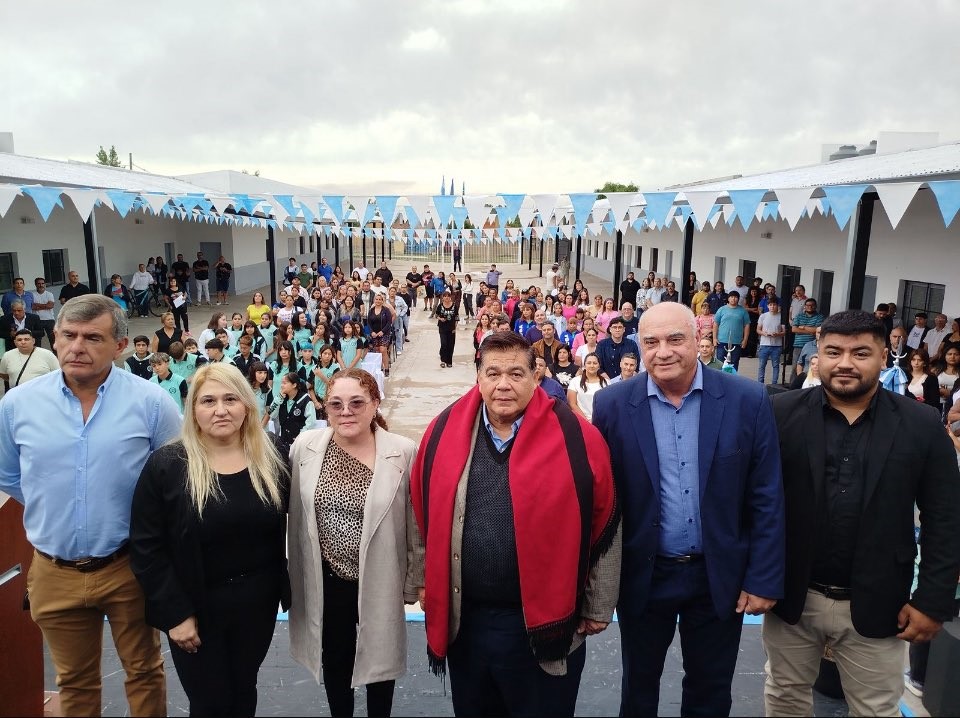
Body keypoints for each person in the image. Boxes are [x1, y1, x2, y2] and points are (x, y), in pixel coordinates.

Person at [410, 331, 620, 716]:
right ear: (478, 376)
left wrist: (599, 603)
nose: (503, 384)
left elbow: (606, 519)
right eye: (493, 373)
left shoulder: (578, 438)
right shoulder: (443, 432)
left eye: (515, 373)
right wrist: (423, 579)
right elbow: (421, 508)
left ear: (536, 376)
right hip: (467, 621)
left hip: (544, 625)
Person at [592, 302, 785, 717]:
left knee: (710, 689)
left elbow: (766, 494)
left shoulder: (747, 399)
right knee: (638, 687)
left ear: (699, 340)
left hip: (718, 575)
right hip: (644, 574)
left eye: (675, 339)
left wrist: (763, 577)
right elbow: (601, 500)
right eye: (651, 342)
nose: (663, 352)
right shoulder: (611, 405)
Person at [765, 309, 960, 717]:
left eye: (861, 353)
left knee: (875, 709)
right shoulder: (780, 413)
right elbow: (756, 502)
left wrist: (932, 600)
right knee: (784, 697)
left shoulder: (921, 424)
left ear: (884, 356)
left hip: (880, 601)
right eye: (834, 352)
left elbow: (946, 516)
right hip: (793, 595)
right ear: (817, 355)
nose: (846, 363)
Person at [0, 294, 181, 716]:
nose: (77, 346)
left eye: (93, 337)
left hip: (129, 566)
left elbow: (174, 482)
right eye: (69, 335)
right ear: (55, 337)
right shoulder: (17, 405)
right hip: (53, 570)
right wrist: (57, 505)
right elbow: (9, 476)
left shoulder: (152, 403)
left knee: (144, 671)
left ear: (120, 346)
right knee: (75, 683)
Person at [130, 363, 290, 716]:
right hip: (196, 606)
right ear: (193, 410)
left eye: (230, 399)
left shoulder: (272, 454)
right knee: (209, 702)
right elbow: (146, 547)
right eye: (208, 401)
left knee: (244, 691)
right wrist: (176, 614)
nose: (221, 410)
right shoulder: (168, 465)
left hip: (257, 605)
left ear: (246, 405)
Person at [288, 369, 418, 717]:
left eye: (357, 403)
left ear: (375, 403)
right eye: (336, 404)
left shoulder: (403, 452)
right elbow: (293, 514)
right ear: (325, 407)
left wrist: (414, 581)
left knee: (381, 658)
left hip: (381, 574)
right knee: (336, 657)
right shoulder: (304, 448)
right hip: (328, 577)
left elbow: (415, 523)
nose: (346, 412)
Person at [265, 371, 316, 442]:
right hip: (284, 440)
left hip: (299, 441)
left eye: (284, 383)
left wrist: (300, 437)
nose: (281, 385)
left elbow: (311, 423)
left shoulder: (306, 400)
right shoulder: (281, 398)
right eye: (281, 383)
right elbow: (272, 414)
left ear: (294, 385)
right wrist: (278, 399)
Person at [713, 291, 751, 370]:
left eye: (735, 297)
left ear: (738, 299)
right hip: (722, 341)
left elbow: (747, 326)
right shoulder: (721, 309)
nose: (733, 299)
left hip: (736, 342)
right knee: (720, 363)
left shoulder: (743, 311)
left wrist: (745, 340)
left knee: (734, 363)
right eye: (731, 297)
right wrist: (714, 338)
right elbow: (716, 324)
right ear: (728, 298)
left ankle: (732, 377)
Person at [790, 297, 824, 381]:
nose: (810, 307)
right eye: (808, 305)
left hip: (812, 346)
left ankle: (807, 384)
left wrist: (803, 327)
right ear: (804, 306)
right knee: (795, 367)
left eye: (812, 305)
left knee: (810, 367)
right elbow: (794, 329)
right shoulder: (799, 316)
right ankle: (794, 385)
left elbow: (817, 329)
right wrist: (810, 331)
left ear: (815, 306)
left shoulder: (819, 317)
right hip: (798, 345)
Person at [567, 352, 607, 421]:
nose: (592, 365)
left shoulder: (606, 382)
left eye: (595, 363)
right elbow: (572, 403)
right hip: (581, 421)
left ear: (599, 366)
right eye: (589, 363)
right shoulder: (575, 381)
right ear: (584, 365)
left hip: (601, 421)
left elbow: (608, 404)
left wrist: (595, 420)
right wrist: (586, 421)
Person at [757, 298, 785, 384]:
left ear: (777, 306)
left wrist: (777, 334)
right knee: (761, 365)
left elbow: (784, 332)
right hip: (764, 344)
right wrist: (764, 333)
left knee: (775, 365)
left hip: (777, 345)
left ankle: (774, 383)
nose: (772, 307)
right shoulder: (763, 316)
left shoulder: (781, 316)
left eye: (774, 305)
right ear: (768, 306)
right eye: (770, 305)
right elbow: (758, 329)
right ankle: (760, 383)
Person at [367, 293, 394, 377]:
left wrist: (382, 331)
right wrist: (372, 332)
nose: (378, 301)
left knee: (383, 350)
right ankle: (380, 368)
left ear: (382, 301)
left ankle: (386, 368)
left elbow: (389, 322)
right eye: (376, 299)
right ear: (374, 300)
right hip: (374, 334)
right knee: (377, 350)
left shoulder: (386, 310)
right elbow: (368, 322)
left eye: (380, 299)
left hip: (384, 333)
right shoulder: (371, 310)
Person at [433, 290, 458, 368]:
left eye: (448, 296)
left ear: (450, 297)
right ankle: (443, 360)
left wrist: (455, 328)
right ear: (442, 298)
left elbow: (457, 317)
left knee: (450, 345)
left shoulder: (454, 306)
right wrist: (440, 318)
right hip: (442, 327)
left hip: (451, 328)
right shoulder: (440, 306)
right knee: (444, 343)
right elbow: (436, 315)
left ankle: (449, 361)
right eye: (445, 296)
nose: (447, 298)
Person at [31, 277, 57, 348]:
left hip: (49, 319)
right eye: (39, 283)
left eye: (42, 283)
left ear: (45, 284)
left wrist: (37, 305)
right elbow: (32, 307)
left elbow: (50, 306)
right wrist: (46, 306)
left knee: (53, 340)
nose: (41, 285)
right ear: (36, 285)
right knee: (37, 340)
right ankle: (38, 354)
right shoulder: (32, 295)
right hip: (37, 320)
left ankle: (56, 354)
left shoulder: (49, 294)